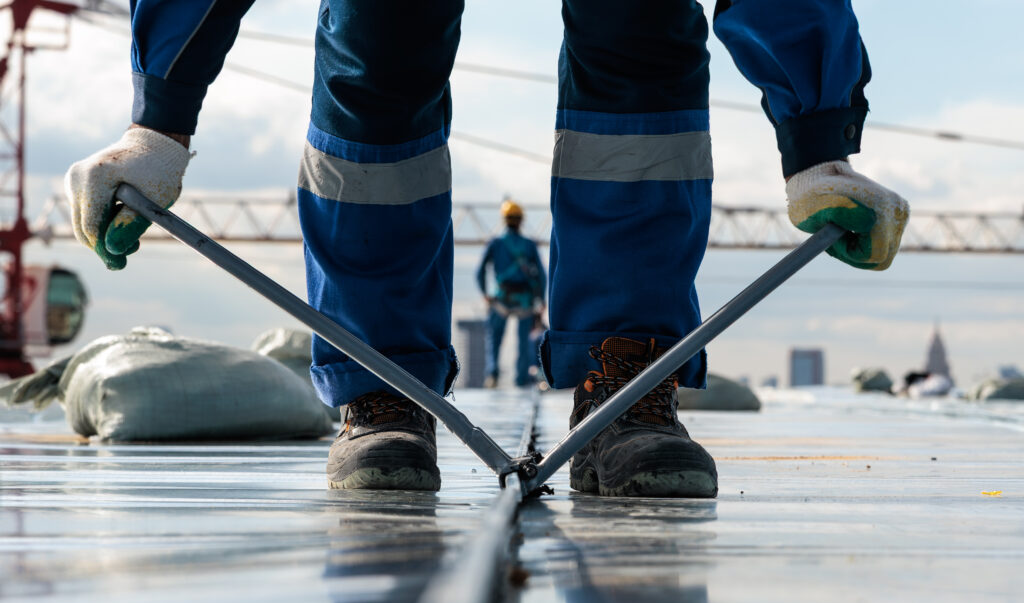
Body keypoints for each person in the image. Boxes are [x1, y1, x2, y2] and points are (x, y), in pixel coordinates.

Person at [64, 0, 909, 498]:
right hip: (497, 293)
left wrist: (817, 137)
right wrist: (159, 115)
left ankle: (626, 373)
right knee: (377, 43)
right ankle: (382, 383)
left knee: (641, 34)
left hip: (527, 293)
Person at [475, 200, 546, 388]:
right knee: (524, 343)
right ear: (521, 221)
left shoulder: (495, 244)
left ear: (504, 220)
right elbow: (540, 273)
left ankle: (492, 376)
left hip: (501, 298)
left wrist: (485, 293)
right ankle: (520, 381)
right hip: (525, 300)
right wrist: (541, 299)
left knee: (494, 340)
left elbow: (480, 270)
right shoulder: (529, 245)